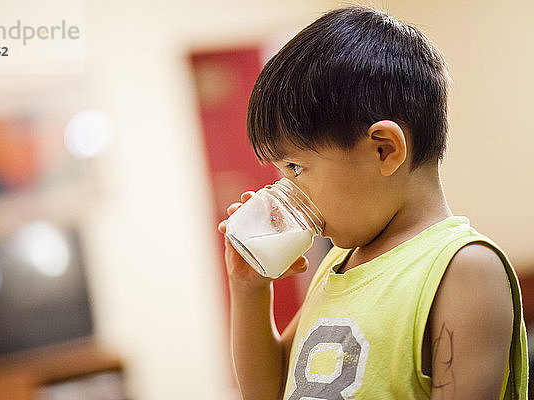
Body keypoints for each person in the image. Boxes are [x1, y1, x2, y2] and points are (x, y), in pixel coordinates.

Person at [217, 5, 528, 399]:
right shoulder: (339, 264)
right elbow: (268, 391)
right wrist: (250, 293)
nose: (288, 188)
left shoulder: (462, 268)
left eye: (296, 166)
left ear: (384, 150)